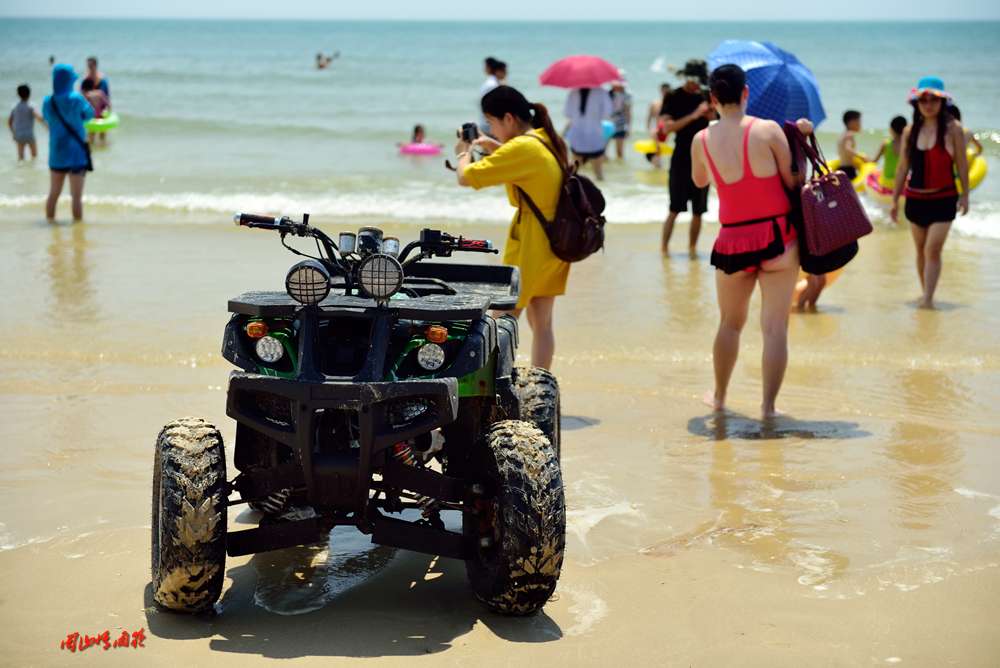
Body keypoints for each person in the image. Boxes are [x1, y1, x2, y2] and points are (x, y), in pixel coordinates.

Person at [690, 64, 809, 419]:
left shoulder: (701, 139)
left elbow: (699, 181)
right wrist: (801, 137)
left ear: (712, 98)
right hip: (777, 237)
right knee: (774, 327)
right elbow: (794, 180)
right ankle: (769, 408)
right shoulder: (768, 130)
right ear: (746, 93)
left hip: (732, 241)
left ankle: (721, 397)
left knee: (729, 323)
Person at [454, 85, 569, 370]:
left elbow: (466, 177)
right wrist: (488, 144)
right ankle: (542, 381)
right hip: (557, 237)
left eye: (491, 123)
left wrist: (463, 151)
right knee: (542, 320)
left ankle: (485, 384)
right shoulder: (545, 138)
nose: (492, 130)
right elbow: (520, 158)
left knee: (500, 318)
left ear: (508, 118)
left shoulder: (523, 148)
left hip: (532, 238)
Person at [891, 77, 969, 309]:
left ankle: (927, 300)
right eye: (923, 100)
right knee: (920, 251)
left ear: (942, 102)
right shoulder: (909, 131)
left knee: (932, 250)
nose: (928, 104)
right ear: (916, 104)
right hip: (915, 199)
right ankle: (926, 292)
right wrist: (894, 199)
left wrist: (965, 195)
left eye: (933, 99)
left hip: (944, 198)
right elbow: (903, 166)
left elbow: (962, 164)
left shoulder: (953, 130)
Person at [660, 59, 713, 254]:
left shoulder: (707, 96)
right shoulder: (673, 96)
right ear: (688, 78)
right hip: (681, 159)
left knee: (698, 211)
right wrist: (692, 115)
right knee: (674, 209)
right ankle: (664, 250)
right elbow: (667, 128)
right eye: (696, 80)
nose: (698, 85)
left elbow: (718, 125)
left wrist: (710, 117)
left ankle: (692, 250)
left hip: (703, 159)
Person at [43, 64, 94, 222]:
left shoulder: (48, 101)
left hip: (57, 152)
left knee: (53, 194)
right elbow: (90, 114)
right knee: (76, 197)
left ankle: (50, 227)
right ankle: (77, 231)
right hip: (76, 152)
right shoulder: (77, 99)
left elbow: (48, 119)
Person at [563, 86, 612, 180]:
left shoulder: (573, 92)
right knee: (598, 173)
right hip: (594, 138)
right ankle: (601, 193)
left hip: (576, 138)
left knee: (574, 173)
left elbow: (567, 114)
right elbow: (606, 113)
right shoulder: (601, 92)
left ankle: (573, 193)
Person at [9, 84, 48, 161]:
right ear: (29, 94)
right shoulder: (31, 105)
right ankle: (33, 168)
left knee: (20, 157)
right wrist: (47, 126)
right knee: (34, 155)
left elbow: (10, 121)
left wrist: (13, 133)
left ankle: (20, 169)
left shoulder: (15, 106)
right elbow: (39, 117)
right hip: (29, 133)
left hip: (19, 133)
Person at [871, 115, 907, 187]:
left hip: (886, 182)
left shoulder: (885, 144)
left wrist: (865, 159)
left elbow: (874, 160)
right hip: (901, 183)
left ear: (891, 129)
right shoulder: (907, 145)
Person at [836, 110, 873, 180]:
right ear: (852, 122)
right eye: (859, 121)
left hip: (840, 168)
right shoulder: (850, 134)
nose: (860, 124)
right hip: (849, 170)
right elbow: (847, 148)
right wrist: (862, 157)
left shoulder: (842, 135)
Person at [478, 57, 506, 136]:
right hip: (490, 124)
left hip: (486, 122)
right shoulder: (493, 85)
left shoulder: (490, 83)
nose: (506, 74)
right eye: (504, 71)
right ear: (497, 71)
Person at [645, 83, 671, 167]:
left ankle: (656, 177)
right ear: (661, 90)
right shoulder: (655, 104)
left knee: (659, 161)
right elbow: (648, 120)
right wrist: (650, 130)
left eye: (667, 90)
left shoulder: (672, 104)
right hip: (657, 132)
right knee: (657, 161)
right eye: (664, 90)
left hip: (665, 134)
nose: (665, 92)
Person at [609, 72, 632, 160]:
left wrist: (628, 127)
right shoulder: (607, 94)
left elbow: (628, 112)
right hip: (608, 124)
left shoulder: (627, 95)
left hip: (621, 125)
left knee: (619, 153)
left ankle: (620, 168)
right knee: (602, 151)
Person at [80, 78, 110, 144]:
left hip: (92, 119)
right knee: (102, 137)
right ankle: (103, 148)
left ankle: (93, 149)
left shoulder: (85, 95)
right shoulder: (100, 93)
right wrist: (107, 114)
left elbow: (82, 108)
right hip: (101, 118)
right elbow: (108, 104)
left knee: (91, 137)